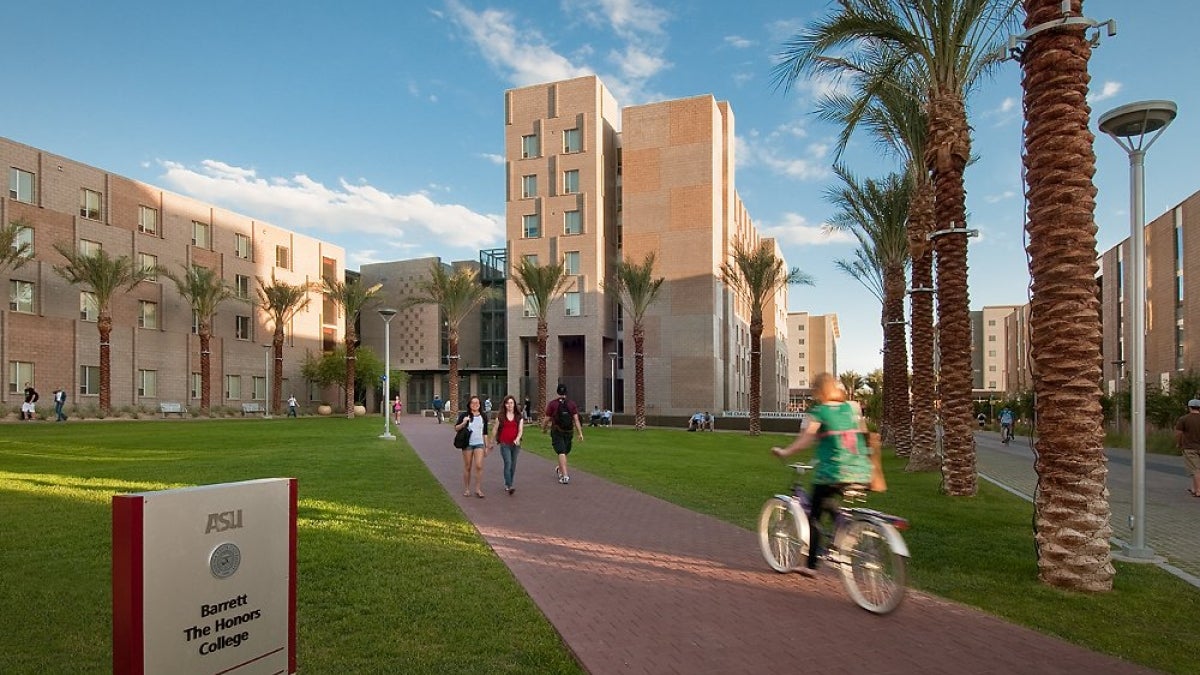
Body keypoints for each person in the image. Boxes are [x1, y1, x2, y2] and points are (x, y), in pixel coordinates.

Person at [771, 372, 872, 575]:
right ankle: (841, 535)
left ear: (818, 392)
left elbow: (806, 439)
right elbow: (864, 436)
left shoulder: (819, 412)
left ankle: (810, 565)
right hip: (860, 470)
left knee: (814, 517)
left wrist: (786, 452)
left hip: (832, 471)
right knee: (829, 501)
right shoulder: (852, 408)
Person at [543, 383, 583, 484]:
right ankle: (563, 473)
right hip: (569, 431)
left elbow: (546, 419)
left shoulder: (552, 404)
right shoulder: (572, 404)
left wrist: (544, 428)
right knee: (564, 451)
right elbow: (576, 420)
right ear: (566, 392)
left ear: (557, 392)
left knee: (561, 452)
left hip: (557, 430)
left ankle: (564, 475)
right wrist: (580, 433)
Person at [454, 395, 491, 498]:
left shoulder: (483, 416)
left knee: (479, 465)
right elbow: (456, 428)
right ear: (469, 405)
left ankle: (478, 489)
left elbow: (485, 432)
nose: (475, 405)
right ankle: (466, 489)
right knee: (468, 466)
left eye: (477, 403)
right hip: (467, 444)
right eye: (473, 403)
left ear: (480, 404)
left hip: (479, 443)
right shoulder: (464, 415)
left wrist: (486, 446)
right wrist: (464, 422)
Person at [491, 395, 525, 495]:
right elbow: (495, 429)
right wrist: (491, 441)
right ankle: (509, 485)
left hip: (515, 444)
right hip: (505, 443)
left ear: (514, 404)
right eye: (507, 403)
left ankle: (509, 482)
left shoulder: (519, 417)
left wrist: (517, 439)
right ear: (505, 405)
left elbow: (520, 430)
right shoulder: (501, 417)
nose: (509, 405)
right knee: (508, 462)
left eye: (511, 403)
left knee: (513, 465)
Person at [1175, 398, 1200, 497]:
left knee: (1195, 469)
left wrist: (1178, 443)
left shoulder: (1184, 419)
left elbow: (1178, 433)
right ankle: (1194, 488)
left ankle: (1198, 490)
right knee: (1196, 469)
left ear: (1189, 407)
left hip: (1190, 447)